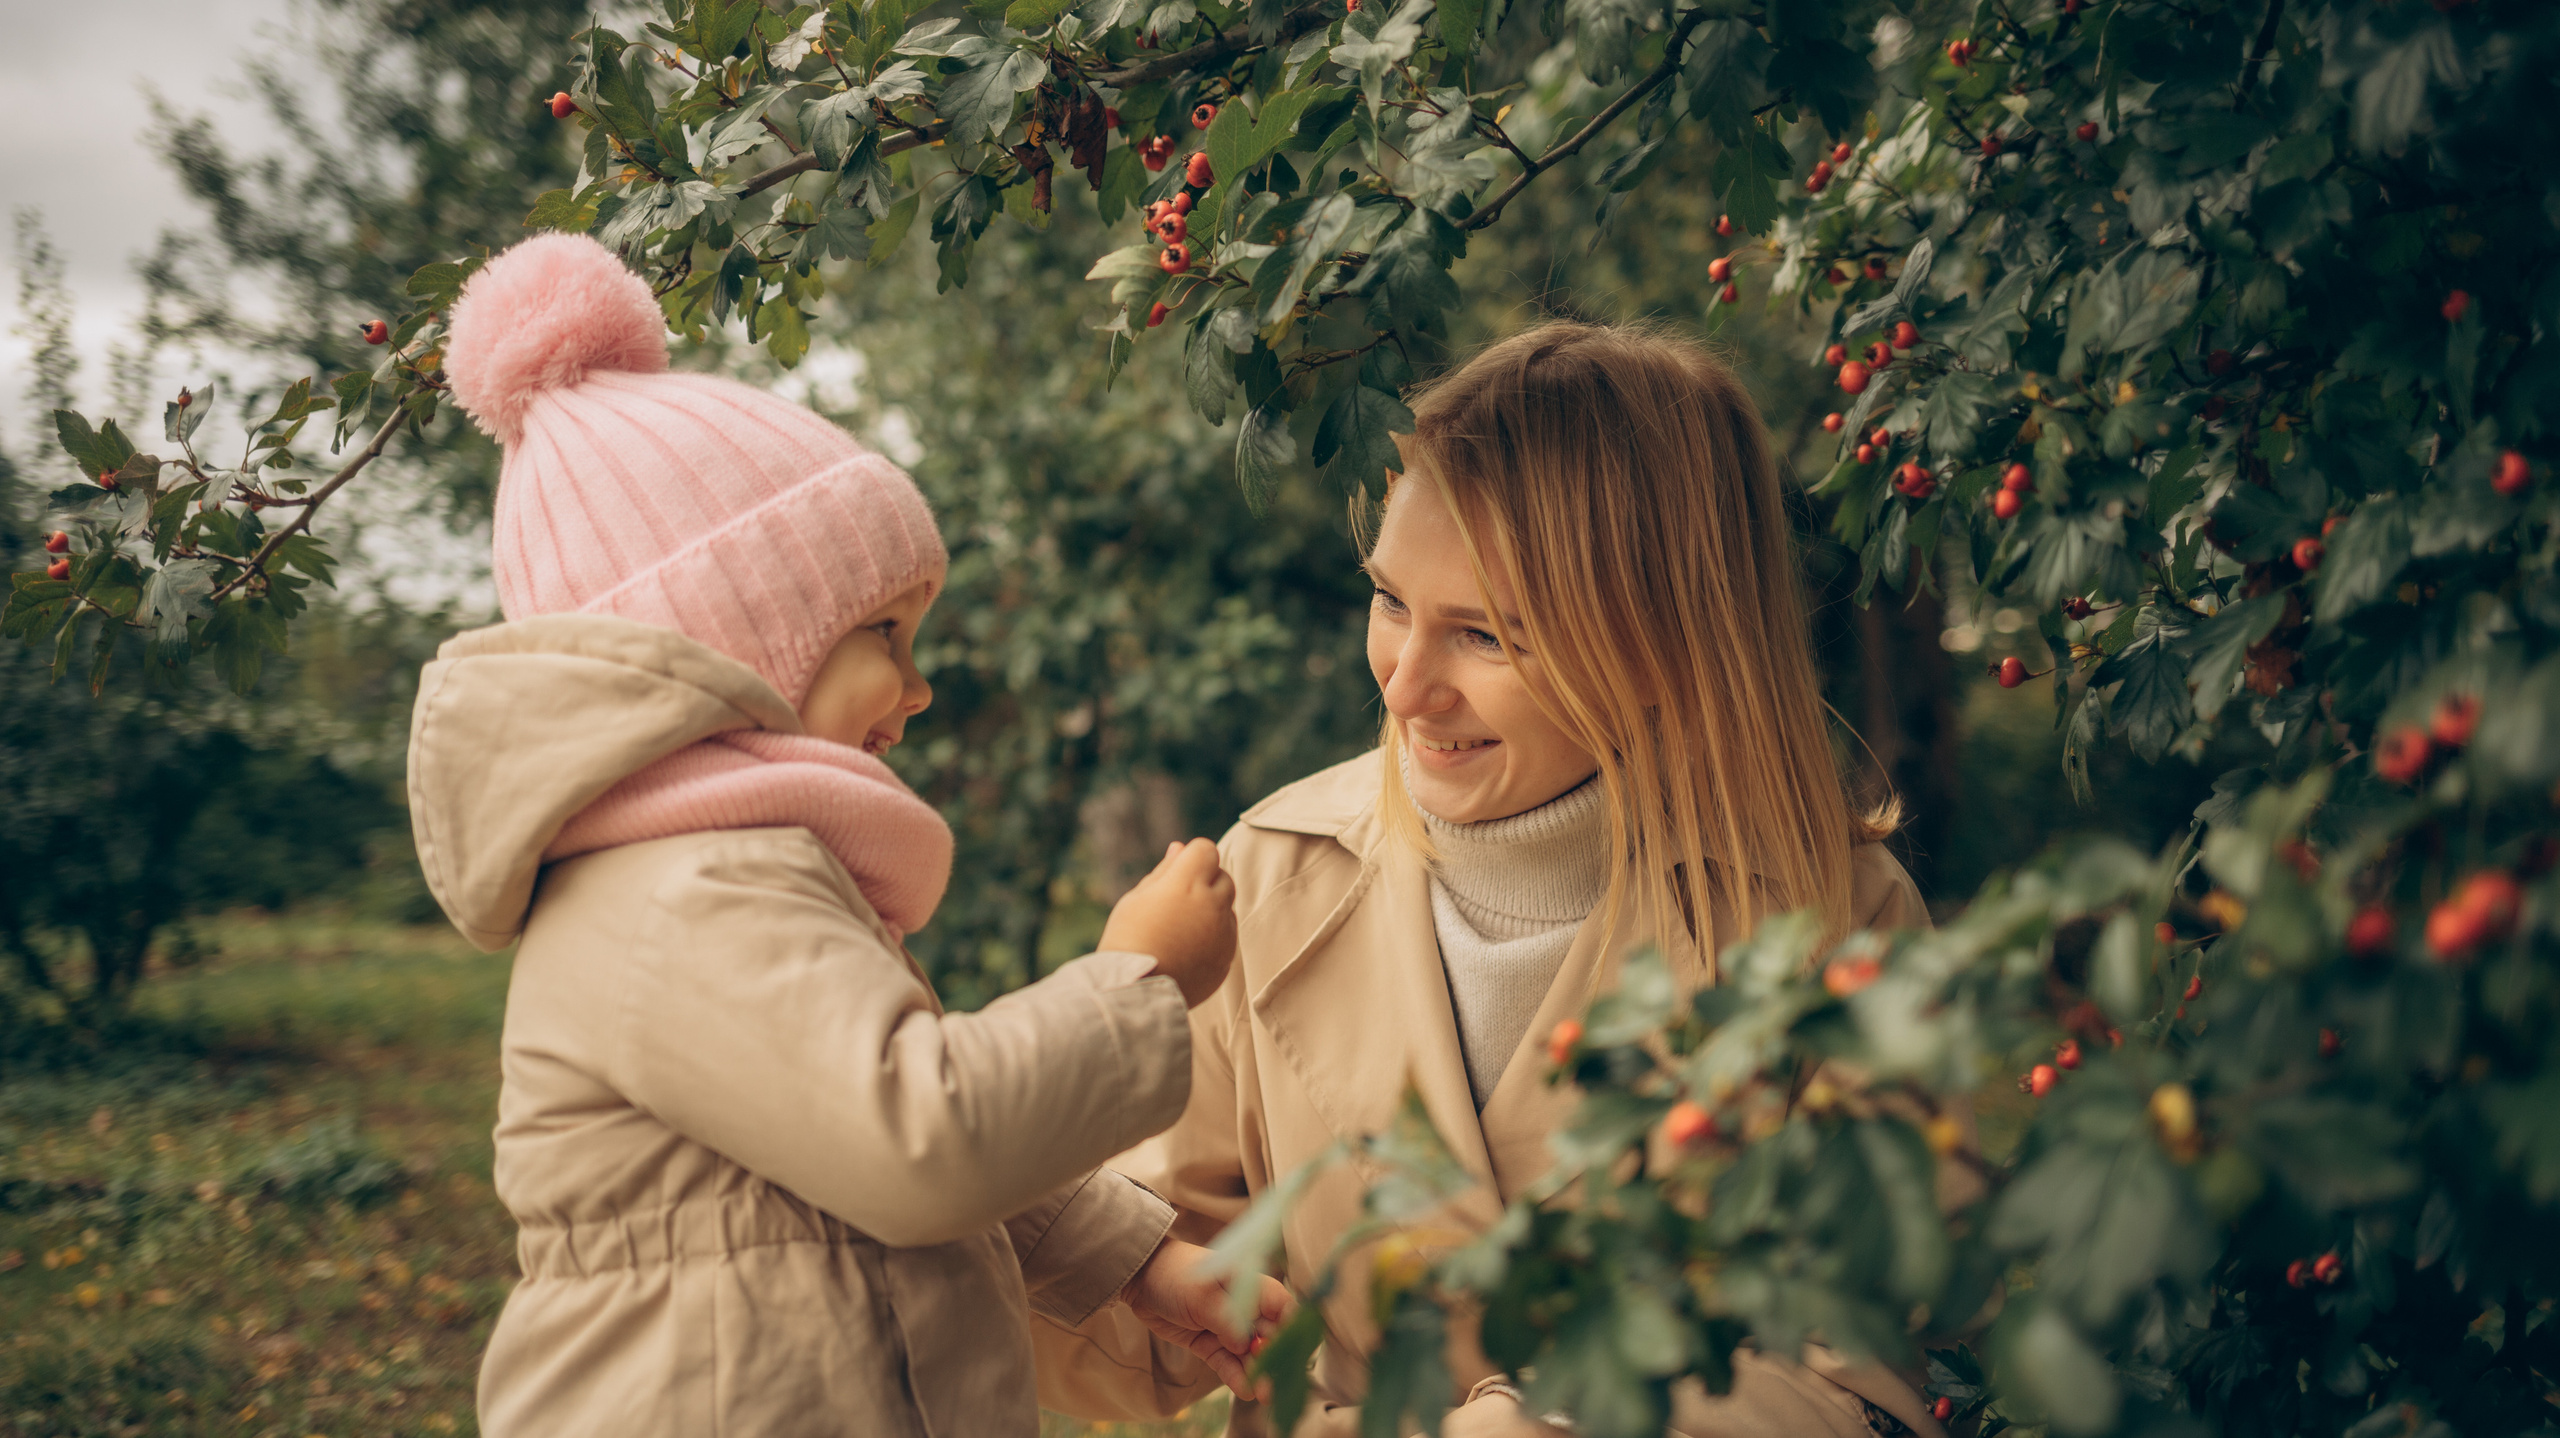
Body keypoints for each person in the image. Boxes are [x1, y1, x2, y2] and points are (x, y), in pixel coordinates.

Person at [407, 233, 1283, 1437]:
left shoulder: (725, 865)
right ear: (738, 638)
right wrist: (1136, 979)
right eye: (885, 633)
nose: (918, 689)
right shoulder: (683, 894)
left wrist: (1134, 1261)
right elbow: (918, 1137)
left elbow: (837, 1130)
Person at [1035, 321, 1961, 1437]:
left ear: (1664, 640)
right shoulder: (1265, 879)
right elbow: (1127, 1333)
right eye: (1389, 603)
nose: (1404, 687)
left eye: (1481, 635)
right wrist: (933, 1151)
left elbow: (1856, 1368)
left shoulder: (1835, 920)